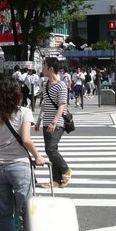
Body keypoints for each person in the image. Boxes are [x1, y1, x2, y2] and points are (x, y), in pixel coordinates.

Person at [0, 77, 44, 231]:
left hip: (0, 166)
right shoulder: (25, 113)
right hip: (20, 165)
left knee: (5, 213)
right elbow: (26, 140)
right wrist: (37, 156)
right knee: (25, 212)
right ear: (17, 94)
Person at [40, 57, 71, 188]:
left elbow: (62, 106)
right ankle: (56, 181)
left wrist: (54, 122)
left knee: (50, 149)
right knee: (52, 150)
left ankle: (65, 170)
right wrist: (38, 120)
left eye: (44, 66)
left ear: (50, 68)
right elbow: (45, 104)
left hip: (57, 123)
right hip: (46, 122)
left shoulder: (61, 85)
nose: (42, 69)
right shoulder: (45, 84)